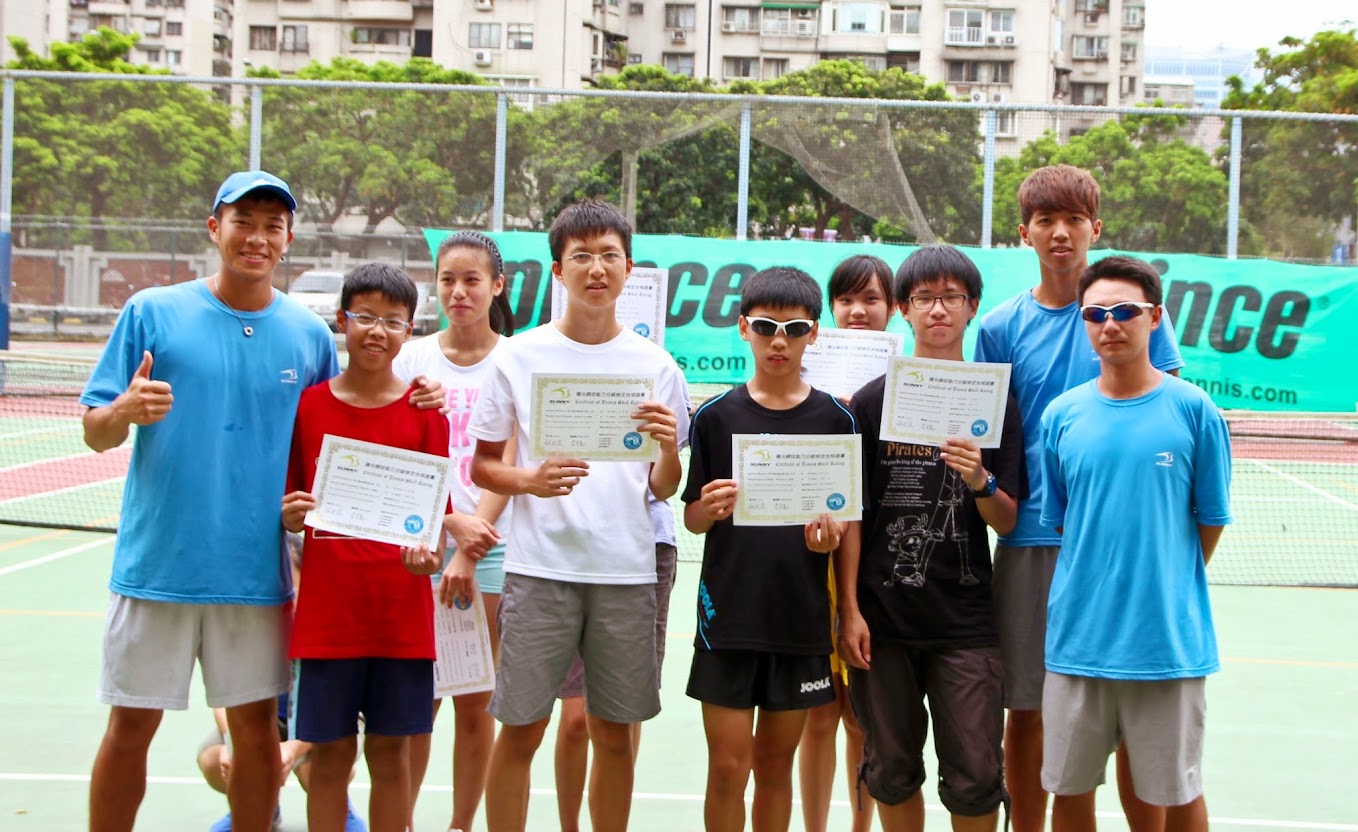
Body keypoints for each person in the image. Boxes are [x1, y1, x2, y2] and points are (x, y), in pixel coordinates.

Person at [80, 170, 444, 832]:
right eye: (242, 221)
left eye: (272, 225)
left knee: (255, 733)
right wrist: (123, 411)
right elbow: (95, 430)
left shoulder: (306, 337)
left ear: (288, 239)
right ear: (213, 227)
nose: (256, 237)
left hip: (256, 576)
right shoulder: (152, 312)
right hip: (156, 567)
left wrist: (425, 395)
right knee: (129, 729)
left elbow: (349, 423)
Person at [974, 164, 1184, 832]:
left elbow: (1164, 411)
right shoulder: (1000, 327)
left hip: (1123, 542)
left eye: (1073, 220)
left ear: (1096, 227)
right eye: (1046, 221)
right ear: (1025, 233)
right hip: (1032, 540)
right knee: (1029, 710)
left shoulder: (1133, 315)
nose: (1060, 233)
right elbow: (988, 435)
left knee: (1131, 710)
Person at [467, 200, 688, 832]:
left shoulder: (656, 366)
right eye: (582, 256)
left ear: (629, 269)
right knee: (521, 729)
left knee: (613, 734)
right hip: (540, 572)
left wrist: (669, 447)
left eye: (609, 256)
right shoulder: (519, 356)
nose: (597, 269)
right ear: (559, 270)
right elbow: (484, 467)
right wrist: (530, 481)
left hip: (626, 574)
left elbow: (662, 487)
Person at [837, 246, 1026, 832]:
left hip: (965, 624)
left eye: (951, 297)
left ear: (972, 307)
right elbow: (854, 515)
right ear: (904, 309)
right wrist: (850, 610)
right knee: (890, 772)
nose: (938, 309)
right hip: (882, 622)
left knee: (975, 777)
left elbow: (1006, 520)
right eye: (924, 298)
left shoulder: (997, 401)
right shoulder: (871, 402)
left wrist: (979, 480)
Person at [1039, 255, 1231, 832]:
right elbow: (1066, 523)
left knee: (1177, 793)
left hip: (1166, 645)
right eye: (1095, 314)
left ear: (1155, 317)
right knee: (1069, 791)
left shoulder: (1195, 411)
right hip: (1078, 642)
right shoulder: (1061, 416)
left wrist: (1166, 580)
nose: (1110, 324)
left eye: (1125, 311)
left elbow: (1210, 521)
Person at [683, 266, 856, 832]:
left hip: (799, 621)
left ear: (814, 334)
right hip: (728, 621)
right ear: (743, 328)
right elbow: (692, 519)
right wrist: (708, 508)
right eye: (765, 327)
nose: (779, 341)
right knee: (727, 769)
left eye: (795, 329)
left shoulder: (837, 419)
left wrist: (829, 538)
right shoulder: (715, 417)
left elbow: (843, 521)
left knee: (775, 768)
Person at [281, 263, 449, 832]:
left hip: (401, 618)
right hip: (328, 619)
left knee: (391, 758)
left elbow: (434, 525)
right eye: (366, 317)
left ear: (409, 330)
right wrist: (289, 515)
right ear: (342, 320)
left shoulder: (426, 414)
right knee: (329, 759)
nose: (378, 331)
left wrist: (430, 556)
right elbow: (293, 501)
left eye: (393, 321)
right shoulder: (308, 407)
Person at [395, 231, 516, 832]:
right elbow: (394, 452)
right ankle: (402, 821)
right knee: (418, 704)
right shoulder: (410, 360)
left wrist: (471, 541)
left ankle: (461, 825)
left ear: (497, 285)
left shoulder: (516, 361)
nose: (459, 292)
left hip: (490, 550)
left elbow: (511, 457)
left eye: (472, 280)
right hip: (418, 547)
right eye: (448, 280)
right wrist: (445, 523)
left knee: (474, 700)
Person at [798, 253, 892, 832]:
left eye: (871, 299)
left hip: (878, 567)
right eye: (847, 300)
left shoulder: (907, 383)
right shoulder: (805, 377)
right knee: (818, 715)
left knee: (860, 717)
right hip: (810, 562)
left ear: (892, 309)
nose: (858, 311)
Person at [196, 535, 367, 832]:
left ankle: (341, 809)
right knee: (215, 760)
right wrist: (233, 744)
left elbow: (338, 708)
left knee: (317, 765)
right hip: (265, 720)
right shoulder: (246, 621)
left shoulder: (328, 623)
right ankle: (259, 806)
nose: (282, 598)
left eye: (291, 587)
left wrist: (292, 750)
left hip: (325, 721)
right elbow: (225, 699)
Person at [552, 488, 686, 832]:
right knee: (576, 718)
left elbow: (667, 476)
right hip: (573, 545)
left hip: (648, 544)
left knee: (623, 717)